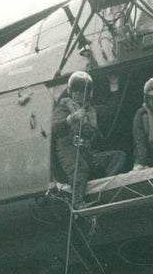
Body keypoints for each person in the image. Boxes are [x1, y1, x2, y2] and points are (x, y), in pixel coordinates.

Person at [52, 71, 127, 210]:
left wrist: (114, 87)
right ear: (70, 92)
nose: (78, 94)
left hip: (87, 152)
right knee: (79, 168)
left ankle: (102, 193)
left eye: (82, 91)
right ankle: (77, 202)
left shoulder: (93, 111)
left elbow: (112, 111)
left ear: (89, 94)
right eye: (75, 91)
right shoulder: (64, 106)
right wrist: (72, 118)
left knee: (118, 157)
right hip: (68, 148)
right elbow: (55, 129)